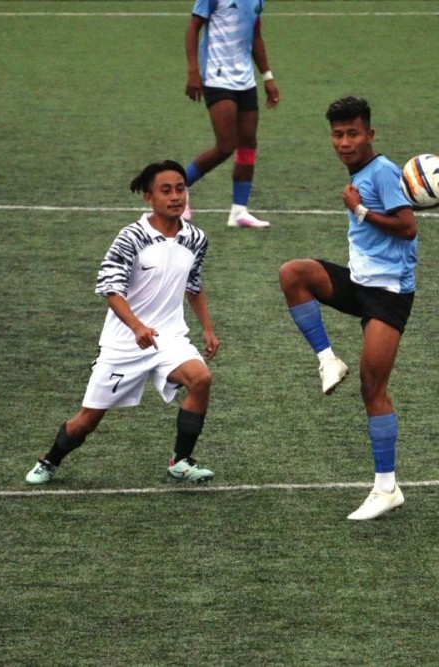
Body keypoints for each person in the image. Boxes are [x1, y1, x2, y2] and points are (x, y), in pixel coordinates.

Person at [25, 160, 220, 485]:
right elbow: (109, 288)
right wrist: (137, 328)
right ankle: (50, 460)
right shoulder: (131, 237)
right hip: (124, 344)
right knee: (87, 421)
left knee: (200, 379)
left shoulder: (196, 239)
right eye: (166, 190)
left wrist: (208, 328)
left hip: (168, 338)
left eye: (181, 189)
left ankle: (180, 461)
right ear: (148, 197)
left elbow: (194, 285)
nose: (175, 197)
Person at [279, 97, 417, 521]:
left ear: (370, 135)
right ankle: (327, 360)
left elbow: (408, 226)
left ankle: (386, 487)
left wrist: (359, 209)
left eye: (352, 133)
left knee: (372, 388)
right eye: (337, 135)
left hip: (388, 293)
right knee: (293, 274)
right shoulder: (358, 171)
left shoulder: (383, 172)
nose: (344, 142)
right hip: (359, 282)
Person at [184, 0, 280, 228]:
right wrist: (193, 71)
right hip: (216, 76)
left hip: (245, 80)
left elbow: (256, 36)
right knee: (226, 145)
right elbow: (192, 28)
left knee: (248, 143)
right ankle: (180, 184)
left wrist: (267, 77)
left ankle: (239, 211)